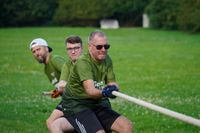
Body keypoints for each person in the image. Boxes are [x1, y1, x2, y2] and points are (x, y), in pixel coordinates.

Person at [60, 30, 133, 133]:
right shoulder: (83, 62)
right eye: (99, 47)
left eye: (106, 46)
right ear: (90, 46)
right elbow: (90, 91)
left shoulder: (107, 59)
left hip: (95, 103)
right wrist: (104, 92)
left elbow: (112, 82)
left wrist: (114, 88)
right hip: (76, 105)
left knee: (126, 126)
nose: (103, 50)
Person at [29, 37, 83, 132]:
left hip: (74, 97)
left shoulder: (55, 60)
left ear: (46, 48)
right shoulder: (46, 69)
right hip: (68, 98)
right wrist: (57, 91)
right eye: (33, 52)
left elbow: (72, 75)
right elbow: (62, 84)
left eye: (38, 49)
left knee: (51, 122)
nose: (37, 53)